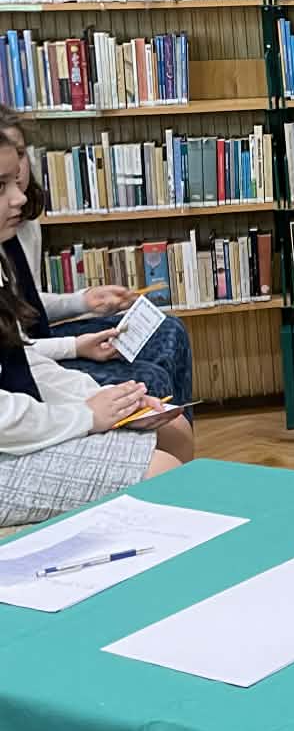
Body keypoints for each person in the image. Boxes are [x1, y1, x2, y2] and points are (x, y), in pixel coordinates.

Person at [0, 132, 183, 528]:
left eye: (15, 179)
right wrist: (85, 416)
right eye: (2, 187)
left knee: (173, 427)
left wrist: (106, 401)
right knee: (161, 471)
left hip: (22, 423)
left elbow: (19, 358)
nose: (18, 197)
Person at [0, 109, 195, 410]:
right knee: (151, 380)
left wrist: (84, 301)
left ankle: (167, 424)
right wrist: (76, 347)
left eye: (22, 154)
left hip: (40, 342)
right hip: (31, 357)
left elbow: (28, 304)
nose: (18, 172)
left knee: (169, 329)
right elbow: (17, 351)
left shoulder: (24, 221)